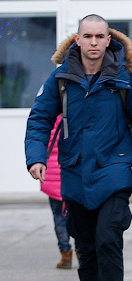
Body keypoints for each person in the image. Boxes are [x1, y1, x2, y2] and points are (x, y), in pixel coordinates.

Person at [25, 14, 132, 281]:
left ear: (108, 39)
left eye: (100, 36)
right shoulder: (61, 78)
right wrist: (36, 157)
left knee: (107, 240)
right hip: (73, 172)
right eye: (88, 36)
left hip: (113, 170)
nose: (94, 42)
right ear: (78, 40)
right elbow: (39, 119)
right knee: (85, 247)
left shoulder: (128, 77)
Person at [42, 115, 74, 269]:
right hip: (72, 175)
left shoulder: (49, 118)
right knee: (79, 217)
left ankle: (65, 254)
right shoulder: (74, 116)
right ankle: (82, 252)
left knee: (59, 218)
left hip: (53, 178)